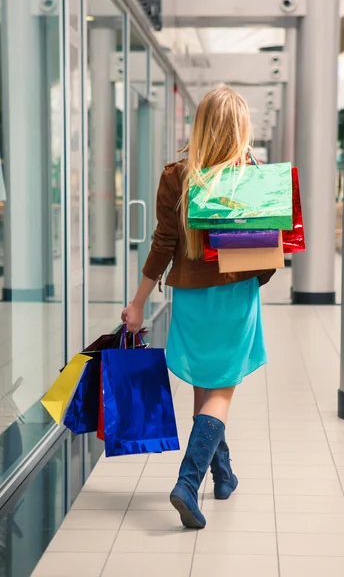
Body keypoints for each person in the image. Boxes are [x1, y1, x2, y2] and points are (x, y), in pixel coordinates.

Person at [121, 85, 275, 529]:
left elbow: (162, 246)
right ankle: (188, 483)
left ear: (201, 124)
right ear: (240, 129)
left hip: (188, 295)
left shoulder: (176, 175)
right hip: (234, 296)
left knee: (202, 385)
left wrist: (137, 303)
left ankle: (222, 473)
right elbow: (267, 254)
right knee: (222, 390)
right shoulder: (253, 177)